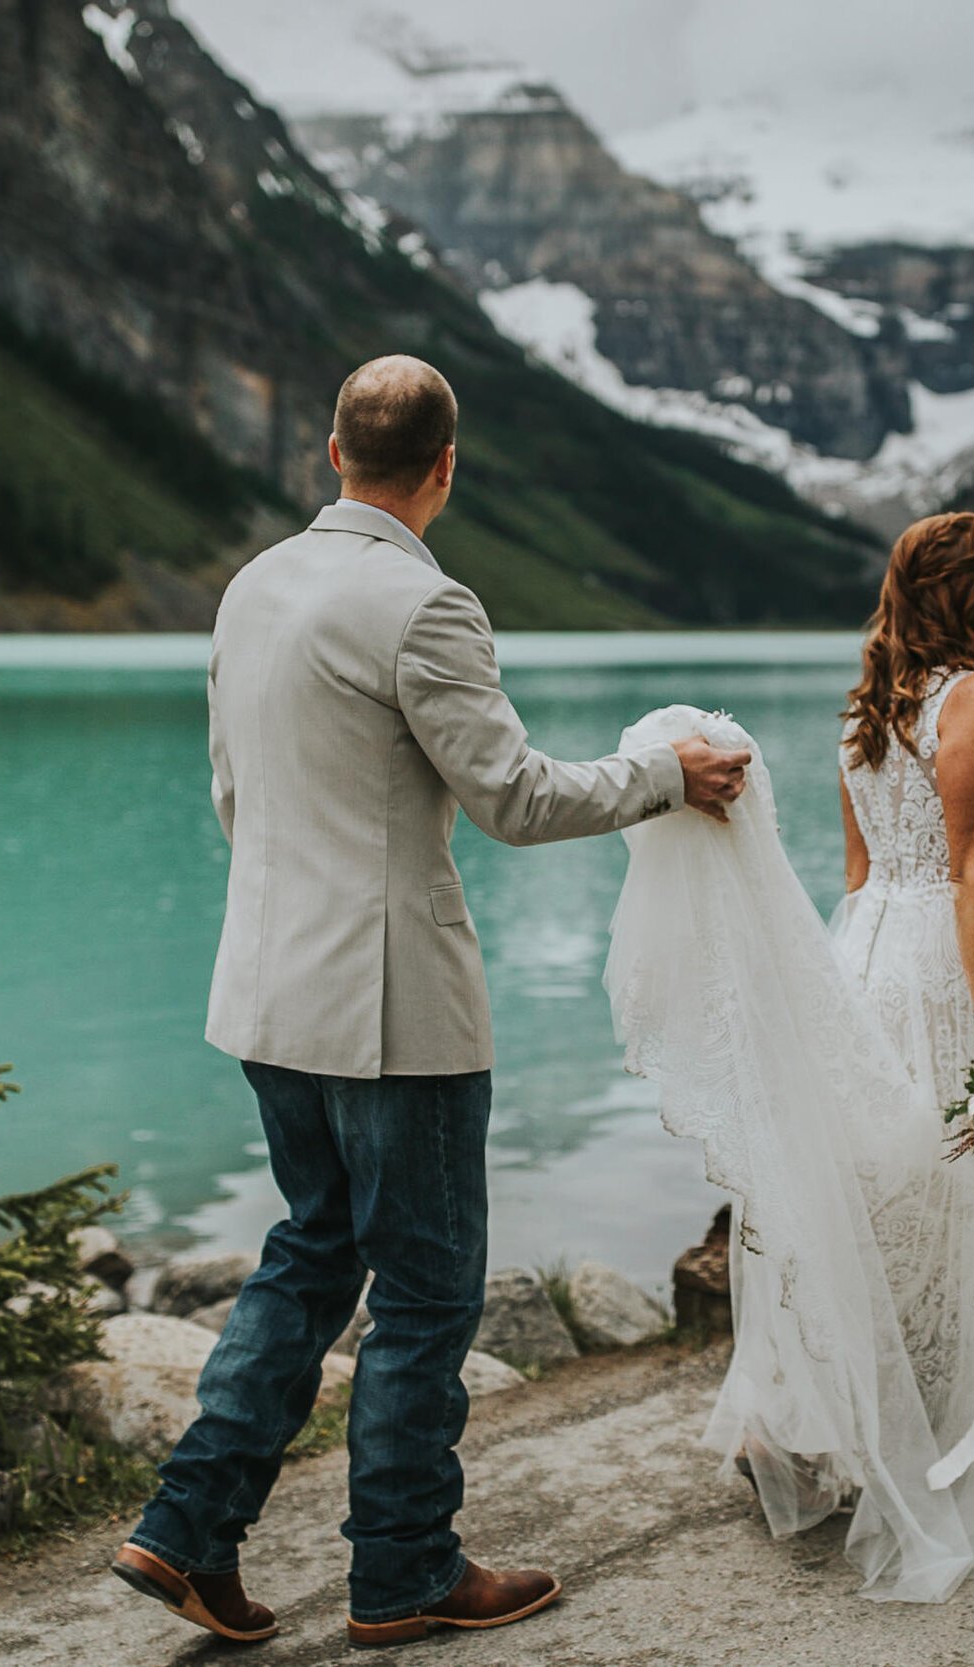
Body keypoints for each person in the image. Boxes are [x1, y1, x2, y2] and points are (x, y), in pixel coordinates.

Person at [111, 355, 750, 1648]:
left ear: (332, 454)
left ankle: (184, 1527)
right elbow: (515, 798)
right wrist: (660, 772)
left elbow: (233, 792)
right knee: (425, 1290)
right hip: (393, 1009)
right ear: (446, 468)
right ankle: (402, 1567)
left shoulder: (250, 587)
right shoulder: (426, 605)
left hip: (268, 990)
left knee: (309, 1249)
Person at [603, 511, 974, 1602]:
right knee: (957, 1200)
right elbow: (973, 875)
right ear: (962, 593)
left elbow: (858, 874)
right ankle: (935, 1441)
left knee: (887, 1198)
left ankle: (840, 1421)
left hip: (875, 954)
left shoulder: (870, 710)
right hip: (956, 962)